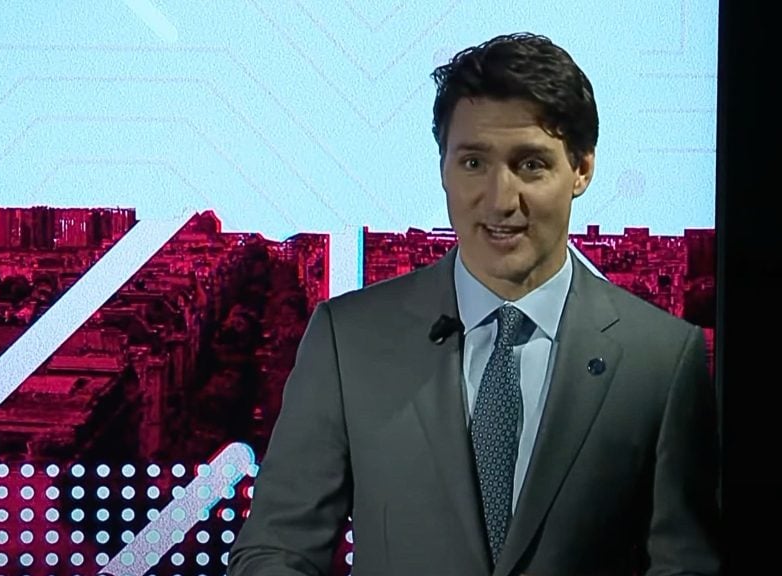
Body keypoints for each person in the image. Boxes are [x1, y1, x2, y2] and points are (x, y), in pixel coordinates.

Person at [228, 32, 720, 576]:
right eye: (473, 164)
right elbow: (277, 551)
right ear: (442, 167)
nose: (499, 199)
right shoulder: (350, 340)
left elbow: (684, 564)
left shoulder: (662, 360)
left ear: (581, 170)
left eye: (530, 165)